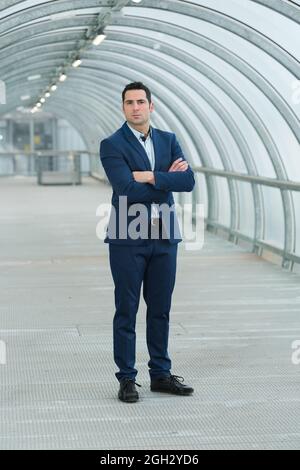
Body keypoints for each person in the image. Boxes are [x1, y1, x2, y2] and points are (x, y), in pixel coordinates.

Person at [100, 82, 195, 403]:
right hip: (128, 237)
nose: (136, 107)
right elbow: (126, 191)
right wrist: (165, 177)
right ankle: (127, 378)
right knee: (126, 309)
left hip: (164, 236)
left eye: (141, 102)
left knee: (161, 309)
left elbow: (189, 181)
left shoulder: (169, 140)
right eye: (129, 102)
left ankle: (161, 374)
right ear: (123, 107)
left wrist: (149, 175)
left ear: (151, 106)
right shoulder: (111, 144)